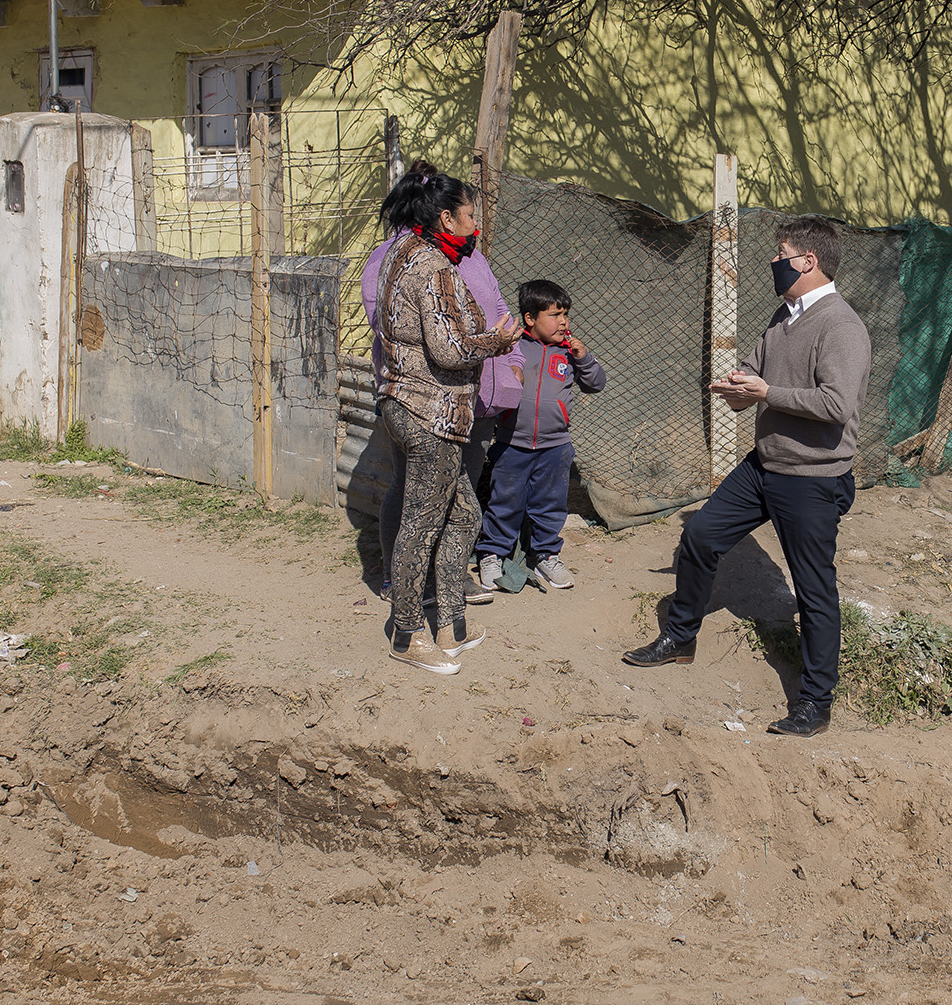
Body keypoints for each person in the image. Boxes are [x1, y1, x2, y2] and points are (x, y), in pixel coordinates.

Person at [623, 215, 871, 736]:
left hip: (812, 477)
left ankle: (815, 702)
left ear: (808, 261)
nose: (773, 261)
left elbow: (837, 404)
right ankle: (681, 638)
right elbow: (755, 379)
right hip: (765, 465)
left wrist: (765, 394)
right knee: (700, 535)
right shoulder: (784, 318)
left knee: (814, 590)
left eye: (782, 253)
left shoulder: (841, 326)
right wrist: (736, 390)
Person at [372, 166, 524, 671]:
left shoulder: (400, 251)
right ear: (445, 218)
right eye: (469, 214)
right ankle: (406, 634)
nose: (475, 223)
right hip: (430, 412)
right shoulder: (434, 266)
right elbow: (450, 349)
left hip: (404, 403)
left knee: (463, 515)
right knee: (421, 523)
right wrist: (498, 342)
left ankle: (452, 623)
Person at [475, 279, 606, 593]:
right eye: (555, 315)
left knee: (550, 505)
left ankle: (546, 555)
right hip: (512, 443)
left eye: (566, 315)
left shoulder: (569, 353)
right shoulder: (514, 347)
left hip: (555, 447)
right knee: (504, 502)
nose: (563, 322)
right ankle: (492, 554)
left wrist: (584, 357)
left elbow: (596, 383)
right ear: (530, 318)